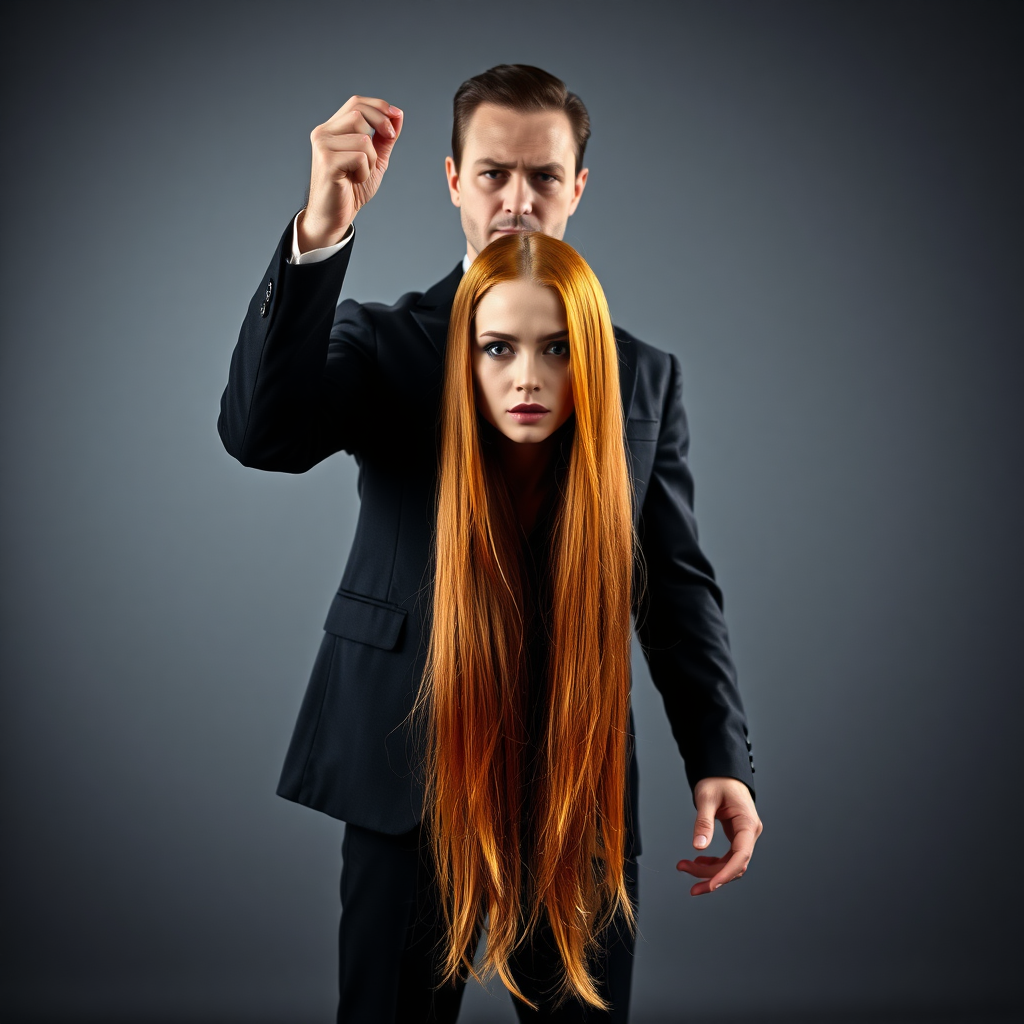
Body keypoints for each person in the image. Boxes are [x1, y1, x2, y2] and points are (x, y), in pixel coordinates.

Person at [218, 64, 762, 1023]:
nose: (518, 201)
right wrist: (319, 232)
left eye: (544, 177)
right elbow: (263, 438)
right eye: (494, 174)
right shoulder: (384, 342)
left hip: (575, 779)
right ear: (452, 179)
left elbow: (673, 583)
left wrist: (719, 753)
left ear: (578, 187)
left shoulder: (643, 376)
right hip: (406, 761)